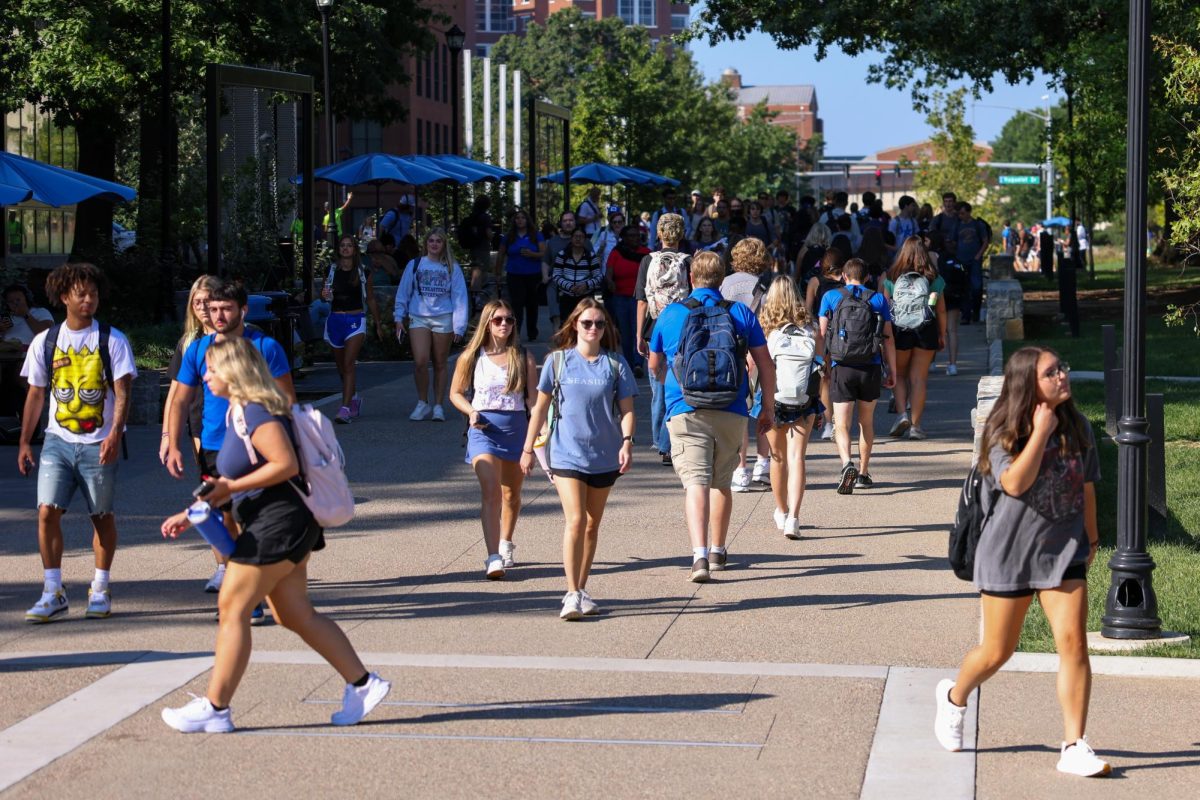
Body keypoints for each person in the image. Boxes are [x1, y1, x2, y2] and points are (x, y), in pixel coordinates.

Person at [160, 337, 389, 733]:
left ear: (234, 370)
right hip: (284, 523)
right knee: (293, 613)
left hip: (278, 523)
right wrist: (194, 510)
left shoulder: (258, 411)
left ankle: (216, 707)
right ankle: (363, 684)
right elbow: (233, 478)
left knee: (232, 607)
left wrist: (229, 490)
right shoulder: (238, 412)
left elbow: (284, 464)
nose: (205, 374)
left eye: (212, 368)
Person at [935, 347, 1109, 777]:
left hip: (1062, 550)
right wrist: (1040, 431)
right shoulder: (1002, 432)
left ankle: (1073, 744)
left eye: (1062, 369)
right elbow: (1014, 482)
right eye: (1052, 373)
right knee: (997, 651)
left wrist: (1091, 537)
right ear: (1028, 384)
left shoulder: (1078, 428)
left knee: (1073, 645)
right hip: (1008, 553)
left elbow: (1087, 486)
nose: (1063, 376)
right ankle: (955, 697)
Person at [18, 263, 136, 622]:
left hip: (98, 442)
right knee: (46, 512)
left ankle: (100, 588)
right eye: (81, 293)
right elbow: (36, 394)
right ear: (64, 297)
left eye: (94, 293)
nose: (89, 299)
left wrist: (115, 433)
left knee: (101, 516)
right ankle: (53, 591)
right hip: (57, 440)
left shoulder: (112, 339)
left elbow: (123, 391)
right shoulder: (46, 341)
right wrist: (25, 441)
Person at [648, 251, 776, 582]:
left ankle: (699, 556)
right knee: (721, 482)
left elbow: (653, 364)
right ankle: (719, 550)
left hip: (685, 407)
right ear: (722, 279)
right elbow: (765, 364)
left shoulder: (672, 313)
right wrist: (768, 408)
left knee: (695, 482)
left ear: (691, 278)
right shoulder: (740, 313)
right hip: (731, 407)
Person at [520, 299, 637, 619]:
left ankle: (581, 588)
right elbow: (539, 409)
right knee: (576, 520)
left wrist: (627, 442)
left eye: (599, 324)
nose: (593, 329)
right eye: (587, 323)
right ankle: (571, 593)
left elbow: (627, 411)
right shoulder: (557, 362)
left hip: (604, 454)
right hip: (565, 453)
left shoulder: (615, 364)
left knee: (591, 525)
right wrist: (528, 448)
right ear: (575, 325)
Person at [449, 300, 539, 579]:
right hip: (483, 430)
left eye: (509, 320)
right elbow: (455, 393)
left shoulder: (523, 356)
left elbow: (533, 402)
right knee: (491, 492)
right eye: (498, 319)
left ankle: (506, 542)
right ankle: (493, 556)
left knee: (511, 494)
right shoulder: (471, 357)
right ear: (487, 323)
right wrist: (471, 410)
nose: (504, 324)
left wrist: (536, 441)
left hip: (516, 429)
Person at [161, 275, 227, 592]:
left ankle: (239, 566)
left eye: (207, 301)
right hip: (199, 426)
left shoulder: (243, 340)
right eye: (196, 302)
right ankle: (223, 566)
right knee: (212, 497)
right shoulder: (189, 344)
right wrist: (167, 438)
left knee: (231, 502)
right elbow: (176, 397)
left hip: (234, 427)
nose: (202, 307)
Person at [818, 258, 897, 493]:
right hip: (870, 366)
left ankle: (846, 464)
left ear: (844, 275)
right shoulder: (878, 299)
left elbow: (822, 335)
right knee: (866, 422)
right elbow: (888, 338)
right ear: (867, 278)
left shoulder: (831, 297)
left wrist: (823, 365)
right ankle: (863, 473)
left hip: (841, 366)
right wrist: (892, 370)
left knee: (841, 423)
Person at [760, 275, 823, 539]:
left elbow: (757, 370)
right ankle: (794, 518)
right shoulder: (810, 328)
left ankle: (781, 510)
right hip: (804, 399)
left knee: (778, 457)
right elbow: (820, 366)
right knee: (798, 457)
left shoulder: (767, 330)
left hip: (775, 399)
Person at [395, 227, 469, 422]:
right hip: (418, 316)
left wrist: (459, 325)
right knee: (420, 361)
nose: (434, 244)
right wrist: (398, 317)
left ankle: (438, 405)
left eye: (438, 241)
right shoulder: (415, 264)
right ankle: (422, 402)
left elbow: (460, 296)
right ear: (425, 244)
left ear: (444, 244)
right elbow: (404, 292)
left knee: (440, 362)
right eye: (431, 241)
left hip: (443, 317)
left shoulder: (452, 267)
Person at [636, 213, 692, 465]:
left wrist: (639, 334)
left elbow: (641, 300)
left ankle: (661, 442)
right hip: (681, 328)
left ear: (658, 234)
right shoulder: (688, 261)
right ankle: (673, 440)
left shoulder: (647, 260)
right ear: (682, 234)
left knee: (658, 388)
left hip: (653, 328)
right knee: (680, 385)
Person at [720, 237, 774, 490]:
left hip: (732, 350)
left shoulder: (725, 284)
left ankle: (740, 468)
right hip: (761, 347)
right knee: (763, 406)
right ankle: (762, 465)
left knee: (739, 408)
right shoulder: (766, 284)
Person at [882, 238, 947, 440]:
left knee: (899, 375)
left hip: (900, 330)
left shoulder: (891, 277)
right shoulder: (933, 278)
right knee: (919, 379)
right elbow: (941, 310)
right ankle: (916, 427)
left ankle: (902, 415)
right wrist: (941, 335)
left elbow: (886, 310)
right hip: (926, 329)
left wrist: (885, 337)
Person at [322, 235, 370, 424]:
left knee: (349, 364)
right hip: (335, 319)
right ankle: (354, 397)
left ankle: (344, 408)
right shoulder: (331, 270)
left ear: (355, 250)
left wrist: (381, 323)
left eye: (349, 245)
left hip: (355, 320)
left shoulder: (363, 272)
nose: (346, 248)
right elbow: (325, 295)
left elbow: (371, 297)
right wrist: (325, 294)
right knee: (341, 366)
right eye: (342, 245)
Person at [805, 250, 845, 440]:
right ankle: (842, 422)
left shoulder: (815, 282)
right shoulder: (846, 282)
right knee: (841, 378)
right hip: (845, 335)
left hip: (822, 333)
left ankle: (829, 424)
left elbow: (807, 310)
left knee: (825, 380)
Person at [493, 210, 546, 342]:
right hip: (514, 274)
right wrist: (498, 273)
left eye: (523, 217)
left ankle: (532, 333)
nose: (520, 220)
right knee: (516, 304)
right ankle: (515, 333)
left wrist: (532, 254)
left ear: (527, 219)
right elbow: (500, 254)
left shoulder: (536, 235)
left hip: (533, 274)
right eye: (517, 218)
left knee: (532, 304)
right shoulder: (508, 237)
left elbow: (544, 253)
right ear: (514, 221)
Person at [605, 224, 649, 376]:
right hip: (621, 297)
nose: (635, 238)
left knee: (638, 331)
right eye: (631, 235)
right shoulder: (617, 252)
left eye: (637, 235)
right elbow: (609, 271)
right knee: (625, 332)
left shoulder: (646, 254)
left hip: (640, 299)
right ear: (624, 238)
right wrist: (610, 281)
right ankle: (629, 364)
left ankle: (638, 363)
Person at [552, 227, 604, 321]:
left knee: (584, 323)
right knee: (566, 325)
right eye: (576, 236)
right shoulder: (562, 254)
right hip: (566, 297)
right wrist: (570, 286)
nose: (578, 239)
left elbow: (599, 276)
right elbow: (556, 275)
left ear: (585, 239)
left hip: (585, 297)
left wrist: (586, 285)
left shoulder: (590, 256)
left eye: (581, 237)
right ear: (571, 238)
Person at [955, 202, 991, 324]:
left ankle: (975, 311)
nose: (961, 216)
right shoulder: (957, 225)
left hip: (974, 260)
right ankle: (965, 315)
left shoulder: (977, 225)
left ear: (969, 212)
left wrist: (978, 256)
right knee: (964, 288)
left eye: (963, 213)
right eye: (959, 213)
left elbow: (985, 241)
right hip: (961, 261)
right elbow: (951, 241)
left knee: (976, 287)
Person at [541, 210, 577, 328]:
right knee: (556, 317)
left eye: (571, 220)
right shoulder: (553, 241)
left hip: (577, 285)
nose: (568, 223)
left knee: (575, 319)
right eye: (565, 221)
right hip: (555, 283)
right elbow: (546, 261)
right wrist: (545, 276)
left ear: (575, 222)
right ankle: (558, 343)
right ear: (560, 223)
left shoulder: (583, 240)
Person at [364, 239, 401, 342]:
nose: (377, 255)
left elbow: (395, 275)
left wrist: (384, 263)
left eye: (380, 252)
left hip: (386, 293)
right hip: (368, 294)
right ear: (369, 252)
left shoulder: (388, 259)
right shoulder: (364, 260)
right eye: (374, 252)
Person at [463, 196, 497, 303]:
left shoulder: (473, 216)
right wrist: (492, 237)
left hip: (473, 247)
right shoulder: (485, 217)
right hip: (482, 247)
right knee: (480, 271)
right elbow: (488, 233)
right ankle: (477, 296)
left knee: (475, 270)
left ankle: (474, 295)